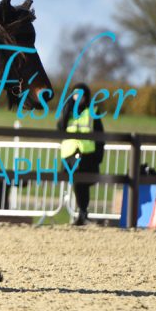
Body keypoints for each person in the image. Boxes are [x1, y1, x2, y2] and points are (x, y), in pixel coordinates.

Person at [58, 83, 105, 226]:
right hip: (70, 154)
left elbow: (100, 135)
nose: (78, 97)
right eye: (75, 94)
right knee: (78, 182)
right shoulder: (67, 110)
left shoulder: (92, 111)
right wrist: (66, 112)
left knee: (82, 183)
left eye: (81, 95)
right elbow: (60, 129)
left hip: (87, 154)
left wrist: (99, 155)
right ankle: (82, 214)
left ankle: (82, 214)